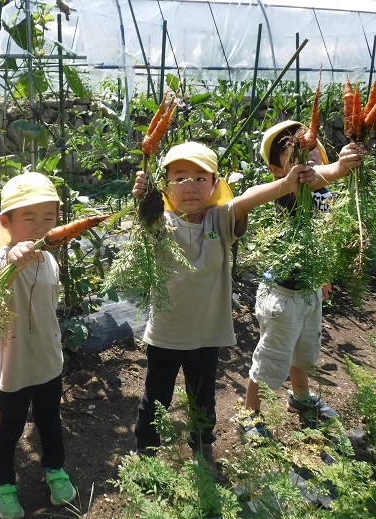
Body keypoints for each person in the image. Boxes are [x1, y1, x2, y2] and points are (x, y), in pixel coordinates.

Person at [130, 141, 320, 473]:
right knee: (155, 400)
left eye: (200, 177)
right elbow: (147, 222)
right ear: (165, 187)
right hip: (165, 337)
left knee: (203, 399)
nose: (189, 185)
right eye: (179, 177)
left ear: (215, 185)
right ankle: (146, 457)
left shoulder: (220, 220)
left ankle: (202, 448)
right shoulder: (161, 224)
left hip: (207, 336)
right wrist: (142, 199)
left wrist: (286, 184)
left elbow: (249, 198)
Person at [240, 121, 364, 438]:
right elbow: (329, 173)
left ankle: (300, 398)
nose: (307, 166)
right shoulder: (288, 190)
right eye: (296, 159)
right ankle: (249, 414)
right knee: (271, 359)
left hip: (308, 291)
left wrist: (322, 275)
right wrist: (341, 165)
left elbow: (320, 237)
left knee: (304, 354)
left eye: (312, 156)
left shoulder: (323, 192)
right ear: (277, 171)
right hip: (281, 295)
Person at [0, 172, 76, 519]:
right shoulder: (3, 259)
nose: (41, 227)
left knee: (50, 421)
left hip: (49, 361)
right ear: (6, 222)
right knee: (9, 427)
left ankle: (55, 470)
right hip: (17, 365)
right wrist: (12, 259)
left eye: (49, 217)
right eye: (30, 218)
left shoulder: (50, 259)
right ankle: (3, 485)